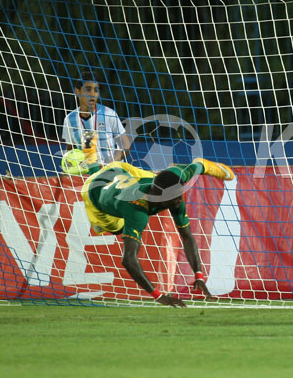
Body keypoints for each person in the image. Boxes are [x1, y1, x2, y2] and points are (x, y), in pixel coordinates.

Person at [78, 137, 235, 307]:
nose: (180, 202)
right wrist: (158, 296)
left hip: (121, 171)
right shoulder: (137, 212)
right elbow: (129, 260)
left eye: (180, 196)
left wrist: (198, 274)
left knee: (163, 177)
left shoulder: (172, 184)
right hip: (93, 190)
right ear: (162, 198)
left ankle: (92, 158)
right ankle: (91, 158)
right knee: (116, 229)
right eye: (175, 199)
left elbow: (187, 236)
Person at [62, 72, 129, 165]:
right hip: (87, 173)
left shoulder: (109, 114)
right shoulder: (69, 119)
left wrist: (110, 164)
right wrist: (68, 167)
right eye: (88, 90)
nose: (92, 94)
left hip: (112, 172)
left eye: (96, 90)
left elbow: (125, 145)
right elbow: (70, 150)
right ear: (77, 91)